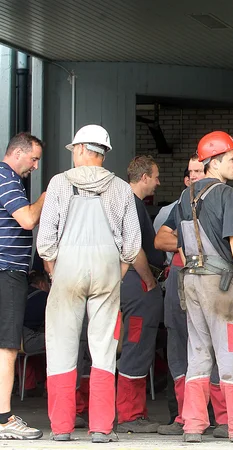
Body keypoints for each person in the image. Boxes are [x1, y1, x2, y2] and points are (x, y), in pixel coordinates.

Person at [163, 130, 233, 443]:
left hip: (192, 280)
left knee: (198, 353)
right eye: (232, 158)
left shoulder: (185, 196)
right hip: (221, 284)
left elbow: (181, 244)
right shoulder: (225, 194)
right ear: (214, 161)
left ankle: (193, 425)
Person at [38, 124, 140, 443]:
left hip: (67, 266)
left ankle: (62, 428)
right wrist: (117, 274)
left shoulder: (58, 183)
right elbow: (132, 244)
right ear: (103, 152)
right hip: (108, 265)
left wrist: (57, 273)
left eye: (74, 151)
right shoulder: (122, 187)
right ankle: (100, 428)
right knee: (104, 348)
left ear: (82, 148)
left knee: (62, 346)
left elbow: (46, 241)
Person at [153, 158, 208, 436]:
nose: (196, 177)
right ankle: (183, 416)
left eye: (201, 171)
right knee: (178, 348)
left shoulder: (220, 202)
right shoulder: (178, 207)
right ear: (186, 179)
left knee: (215, 347)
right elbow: (160, 240)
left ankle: (219, 416)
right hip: (179, 279)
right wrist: (192, 243)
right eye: (192, 173)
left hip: (211, 282)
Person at [0, 132, 45, 441]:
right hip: (8, 271)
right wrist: (47, 195)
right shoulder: (7, 179)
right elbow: (28, 220)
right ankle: (4, 419)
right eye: (34, 159)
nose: (35, 166)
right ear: (17, 153)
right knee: (8, 346)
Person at [116, 155, 166, 433]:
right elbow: (133, 247)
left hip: (132, 284)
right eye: (156, 177)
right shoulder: (131, 205)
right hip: (138, 285)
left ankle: (132, 413)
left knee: (137, 344)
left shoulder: (127, 203)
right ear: (144, 177)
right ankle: (130, 415)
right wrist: (149, 280)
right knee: (137, 344)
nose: (158, 182)